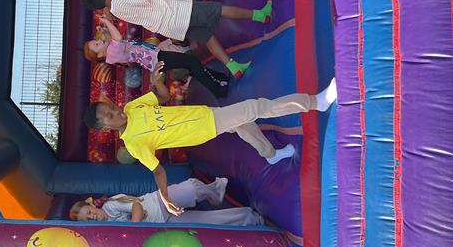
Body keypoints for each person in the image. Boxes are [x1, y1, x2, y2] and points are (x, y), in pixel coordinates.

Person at [84, 62, 337, 215]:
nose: (116, 112)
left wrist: (156, 81)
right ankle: (316, 102)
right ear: (105, 128)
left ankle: (270, 154)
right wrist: (165, 197)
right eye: (110, 116)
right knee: (256, 107)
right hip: (204, 128)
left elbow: (162, 98)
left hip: (203, 113)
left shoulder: (132, 107)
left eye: (112, 108)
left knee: (244, 125)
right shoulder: (133, 144)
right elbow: (158, 170)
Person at [82, 0, 272, 78]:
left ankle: (232, 66)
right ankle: (260, 15)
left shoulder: (116, 11)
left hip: (169, 27)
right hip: (176, 13)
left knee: (207, 36)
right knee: (219, 10)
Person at [84, 15, 231, 98]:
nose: (99, 41)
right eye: (96, 44)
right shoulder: (112, 54)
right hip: (156, 60)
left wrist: (103, 29)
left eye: (96, 40)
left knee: (190, 63)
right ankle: (217, 90)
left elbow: (110, 38)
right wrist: (107, 22)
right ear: (100, 54)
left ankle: (219, 78)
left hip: (155, 56)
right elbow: (117, 37)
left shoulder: (111, 51)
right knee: (191, 61)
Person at [69, 177, 264, 225]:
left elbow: (136, 207)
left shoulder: (110, 205)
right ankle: (250, 218)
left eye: (89, 212)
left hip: (160, 202)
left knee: (191, 189)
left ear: (91, 205)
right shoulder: (107, 227)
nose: (93, 217)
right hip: (163, 222)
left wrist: (133, 228)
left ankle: (214, 191)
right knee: (209, 223)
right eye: (88, 219)